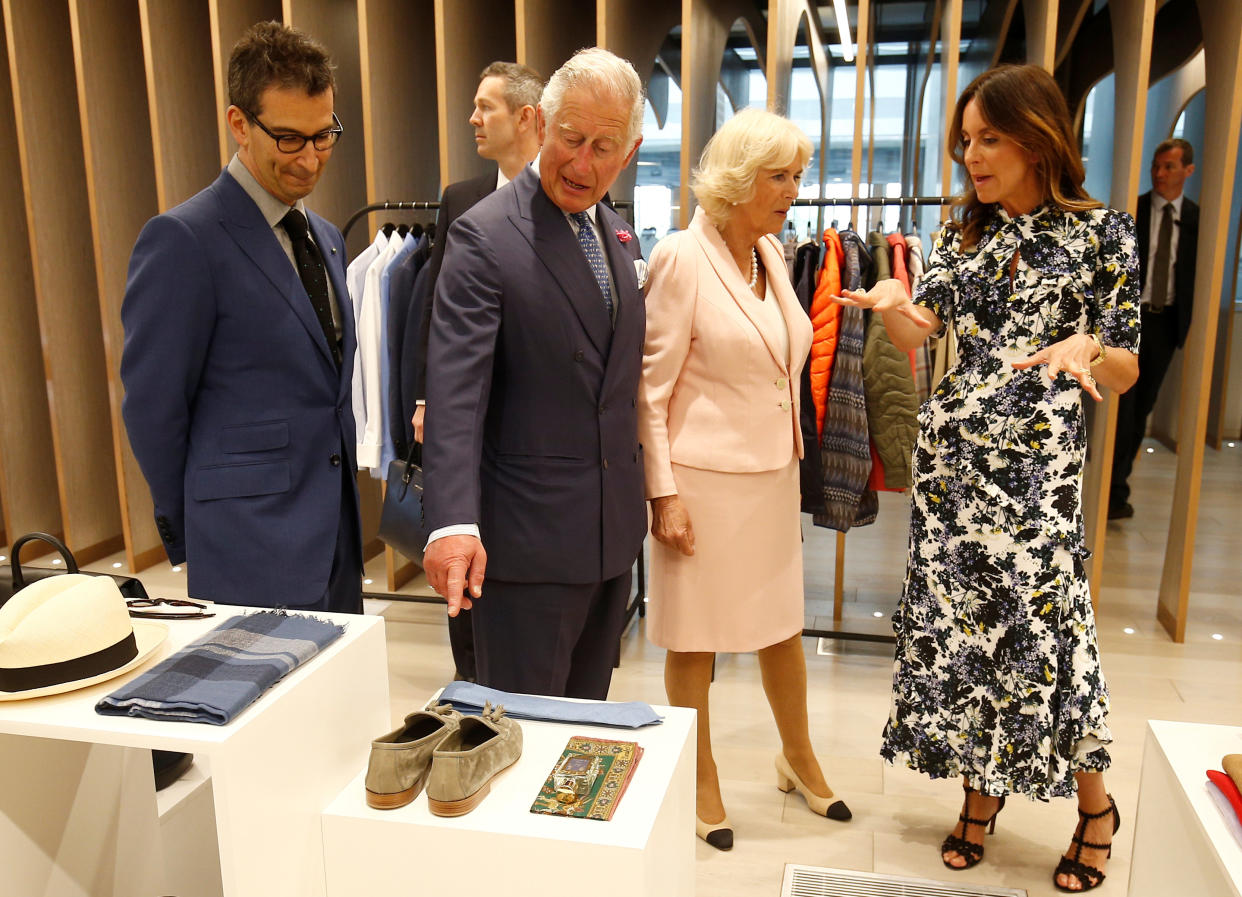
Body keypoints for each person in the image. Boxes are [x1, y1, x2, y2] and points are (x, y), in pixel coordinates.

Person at [833, 64, 1139, 892]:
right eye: (965, 141)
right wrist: (896, 296)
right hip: (955, 471)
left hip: (1038, 479)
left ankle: (1096, 806)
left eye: (987, 139)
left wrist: (1087, 350)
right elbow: (919, 332)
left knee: (1047, 636)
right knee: (966, 636)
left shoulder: (1102, 233)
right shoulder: (964, 236)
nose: (971, 156)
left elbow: (1126, 365)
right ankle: (981, 793)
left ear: (1037, 138)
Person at [638, 108, 850, 852]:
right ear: (738, 178)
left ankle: (797, 755)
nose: (794, 189)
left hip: (770, 477)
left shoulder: (769, 250)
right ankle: (699, 772)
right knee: (695, 640)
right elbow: (649, 390)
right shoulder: (680, 259)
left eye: (797, 174)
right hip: (701, 482)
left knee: (779, 628)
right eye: (780, 175)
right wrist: (662, 492)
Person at [421, 47, 647, 701]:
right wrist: (453, 521)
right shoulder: (485, 235)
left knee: (582, 732)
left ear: (627, 154)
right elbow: (456, 393)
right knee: (521, 736)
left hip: (609, 541)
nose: (584, 163)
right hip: (526, 545)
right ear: (542, 126)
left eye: (605, 147)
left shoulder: (619, 235)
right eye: (572, 139)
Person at [121, 22, 362, 613]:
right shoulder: (183, 239)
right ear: (238, 124)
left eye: (324, 134)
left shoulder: (326, 237)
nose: (311, 158)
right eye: (288, 139)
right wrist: (197, 535)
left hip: (335, 539)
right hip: (245, 547)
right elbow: (154, 407)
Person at [411, 61, 542, 682]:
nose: (472, 118)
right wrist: (424, 397)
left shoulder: (565, 198)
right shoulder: (462, 199)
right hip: (467, 412)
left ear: (525, 117)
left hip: (534, 422)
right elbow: (433, 307)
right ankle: (471, 673)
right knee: (463, 529)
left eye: (485, 106)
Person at [1109, 138, 1198, 519]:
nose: (1160, 174)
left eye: (1169, 167)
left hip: (1165, 322)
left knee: (1142, 406)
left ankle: (1119, 488)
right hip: (1132, 319)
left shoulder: (1196, 217)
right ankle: (1109, 491)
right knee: (1122, 408)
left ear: (1187, 171)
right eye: (1156, 166)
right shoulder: (1135, 212)